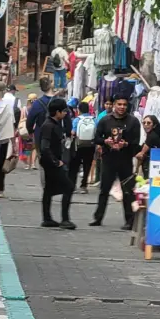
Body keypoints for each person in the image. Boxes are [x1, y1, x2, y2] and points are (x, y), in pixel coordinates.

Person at [90, 92, 141, 230]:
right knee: (104, 189)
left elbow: (137, 143)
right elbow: (96, 138)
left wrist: (126, 144)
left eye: (124, 104)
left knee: (128, 191)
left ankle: (129, 220)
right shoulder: (105, 120)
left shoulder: (133, 121)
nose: (122, 107)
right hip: (108, 159)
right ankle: (98, 218)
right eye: (119, 104)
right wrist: (105, 141)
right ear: (113, 105)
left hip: (125, 160)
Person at [38, 98, 75, 230]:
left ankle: (47, 218)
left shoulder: (55, 124)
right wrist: (55, 161)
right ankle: (65, 219)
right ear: (57, 112)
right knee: (69, 187)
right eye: (64, 111)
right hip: (51, 163)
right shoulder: (49, 125)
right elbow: (45, 147)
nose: (65, 114)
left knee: (48, 190)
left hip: (51, 161)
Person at [0, 82, 16, 197]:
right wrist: (14, 142)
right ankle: (0, 189)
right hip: (4, 138)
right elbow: (11, 123)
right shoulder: (7, 106)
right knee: (1, 163)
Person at [68, 101, 96, 194]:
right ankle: (84, 186)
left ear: (79, 110)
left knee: (74, 166)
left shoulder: (77, 120)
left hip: (78, 146)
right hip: (90, 146)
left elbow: (73, 132)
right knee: (87, 166)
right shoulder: (94, 119)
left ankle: (72, 186)